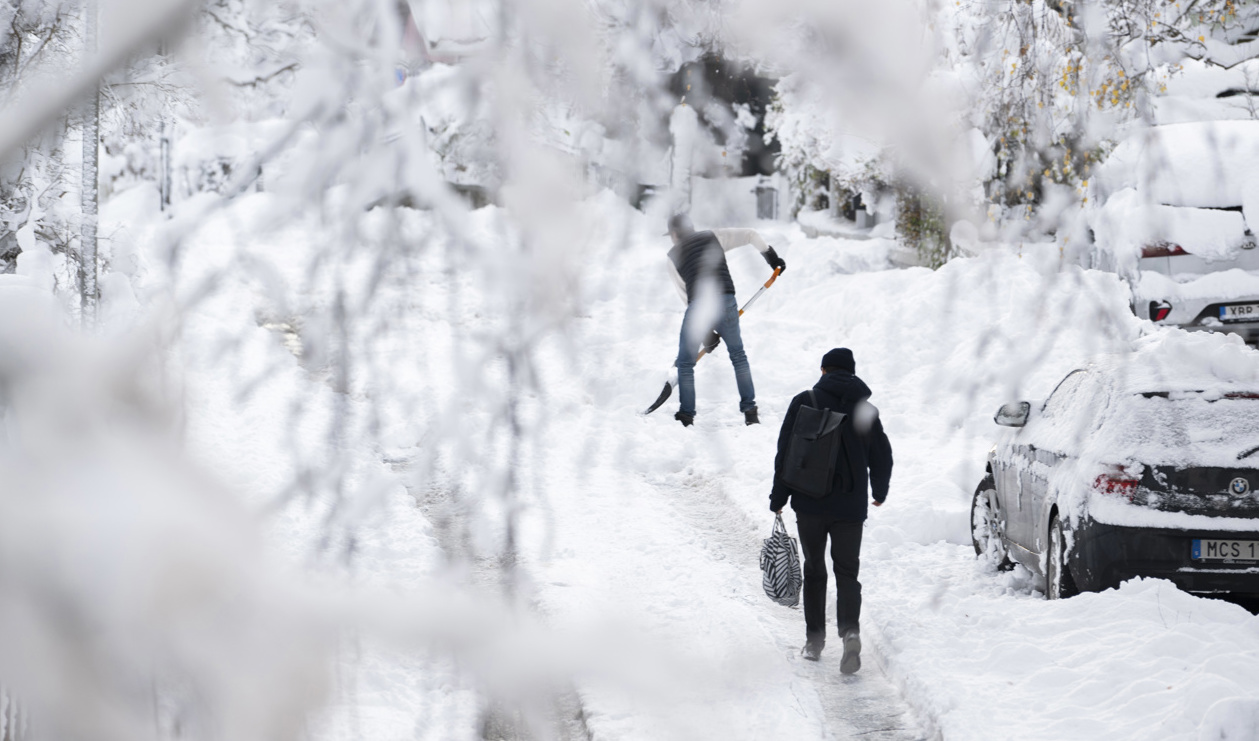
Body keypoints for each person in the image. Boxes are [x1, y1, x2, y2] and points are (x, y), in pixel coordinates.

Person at [769, 348, 893, 673]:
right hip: (851, 507)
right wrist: (879, 490)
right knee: (847, 572)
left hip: (810, 503)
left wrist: (778, 496)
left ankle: (814, 641)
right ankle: (850, 632)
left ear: (824, 370)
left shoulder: (805, 400)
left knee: (814, 571)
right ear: (851, 373)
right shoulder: (864, 409)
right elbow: (882, 454)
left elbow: (786, 452)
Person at [666, 213, 786, 427]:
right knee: (738, 355)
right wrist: (772, 258)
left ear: (674, 234)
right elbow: (751, 234)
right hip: (726, 298)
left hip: (699, 304)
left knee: (685, 362)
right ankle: (750, 412)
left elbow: (686, 295)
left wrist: (705, 332)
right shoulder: (713, 236)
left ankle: (686, 415)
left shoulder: (672, 256)